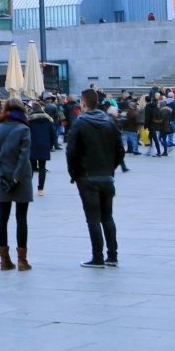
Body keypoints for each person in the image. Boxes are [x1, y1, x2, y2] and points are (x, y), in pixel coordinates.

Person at [67, 89, 124, 268]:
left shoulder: (80, 123)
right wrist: (110, 168)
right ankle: (112, 256)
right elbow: (120, 150)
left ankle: (97, 256)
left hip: (87, 177)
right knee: (107, 217)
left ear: (83, 104)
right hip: (106, 177)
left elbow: (71, 151)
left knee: (93, 219)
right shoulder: (109, 122)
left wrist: (74, 173)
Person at [0, 98, 33, 271]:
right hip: (20, 177)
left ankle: (4, 260)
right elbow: (24, 156)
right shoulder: (24, 129)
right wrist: (16, 177)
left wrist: (1, 176)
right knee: (21, 218)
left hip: (2, 178)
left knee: (3, 217)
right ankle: (22, 261)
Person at [26, 102, 53, 197]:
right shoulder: (48, 119)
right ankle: (41, 189)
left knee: (31, 168)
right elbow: (52, 134)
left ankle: (28, 187)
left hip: (32, 145)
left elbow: (26, 134)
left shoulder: (29, 120)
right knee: (42, 167)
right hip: (44, 145)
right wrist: (50, 145)